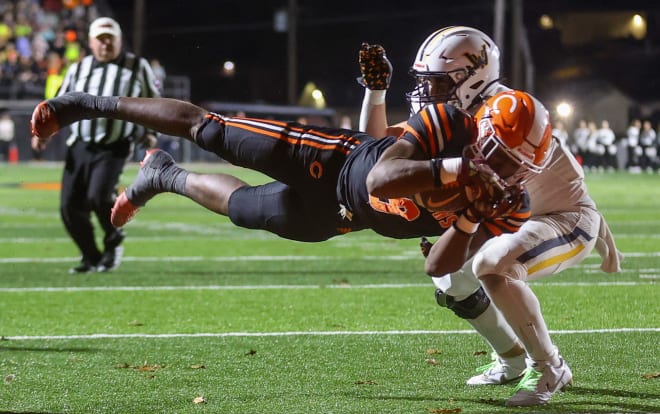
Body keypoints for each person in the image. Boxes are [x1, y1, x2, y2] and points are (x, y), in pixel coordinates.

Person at [357, 26, 622, 406]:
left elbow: (567, 184)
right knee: (451, 279)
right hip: (518, 218)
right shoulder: (455, 114)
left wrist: (600, 231)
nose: (428, 92)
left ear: (470, 77)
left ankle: (549, 366)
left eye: (438, 82)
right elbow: (374, 157)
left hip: (562, 218)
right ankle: (511, 359)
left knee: (493, 265)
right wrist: (375, 92)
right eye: (427, 82)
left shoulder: (507, 113)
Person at [31, 89, 536, 273]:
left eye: (515, 162)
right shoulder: (450, 123)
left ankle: (163, 175)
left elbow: (437, 264)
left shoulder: (509, 204)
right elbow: (382, 179)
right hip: (336, 160)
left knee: (244, 211)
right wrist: (458, 170)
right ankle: (82, 103)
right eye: (497, 152)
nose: (504, 167)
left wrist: (470, 216)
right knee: (212, 131)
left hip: (345, 216)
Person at [31, 17, 162, 274]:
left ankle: (113, 241)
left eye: (110, 39)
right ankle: (91, 256)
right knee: (69, 206)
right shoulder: (78, 68)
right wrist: (44, 132)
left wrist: (150, 132)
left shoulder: (136, 66)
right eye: (100, 39)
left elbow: (154, 102)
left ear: (119, 40)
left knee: (99, 197)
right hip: (80, 143)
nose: (105, 44)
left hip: (114, 145)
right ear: (90, 42)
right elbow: (61, 103)